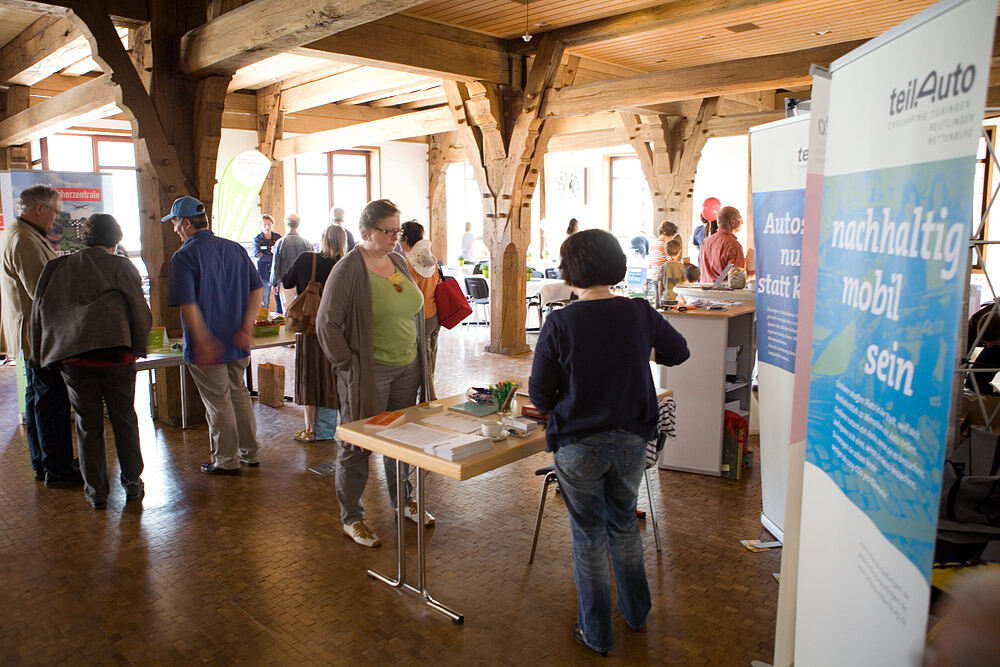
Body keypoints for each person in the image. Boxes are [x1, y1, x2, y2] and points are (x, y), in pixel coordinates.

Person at [529, 229, 689, 656]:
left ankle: (596, 632)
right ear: (616, 264)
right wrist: (641, 352)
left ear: (570, 272)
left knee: (588, 537)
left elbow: (540, 394)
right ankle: (636, 614)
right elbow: (678, 352)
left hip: (580, 443)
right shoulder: (639, 312)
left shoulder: (560, 322)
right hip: (633, 439)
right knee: (622, 526)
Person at [316, 199, 432, 548]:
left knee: (401, 438)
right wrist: (350, 366)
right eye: (389, 231)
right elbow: (327, 325)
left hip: (407, 366)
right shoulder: (349, 269)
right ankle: (352, 517)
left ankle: (403, 500)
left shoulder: (397, 260)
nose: (396, 237)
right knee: (358, 444)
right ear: (367, 232)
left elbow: (412, 306)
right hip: (370, 372)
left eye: (398, 230)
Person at [31, 214, 152, 509]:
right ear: (115, 238)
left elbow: (40, 311)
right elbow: (138, 309)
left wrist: (41, 354)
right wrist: (138, 346)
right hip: (116, 357)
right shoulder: (121, 266)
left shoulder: (57, 267)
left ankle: (95, 491)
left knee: (87, 425)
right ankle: (132, 482)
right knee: (124, 418)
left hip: (74, 359)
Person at [164, 195, 262, 475]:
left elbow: (189, 303)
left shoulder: (184, 256)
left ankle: (226, 461)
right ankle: (250, 453)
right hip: (237, 340)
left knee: (218, 402)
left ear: (185, 223)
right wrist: (247, 326)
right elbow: (257, 289)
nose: (174, 229)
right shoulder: (234, 249)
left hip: (207, 346)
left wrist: (203, 340)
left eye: (174, 223)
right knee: (239, 394)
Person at [0, 184, 81, 487]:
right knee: (52, 403)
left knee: (39, 400)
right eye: (55, 210)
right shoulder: (24, 240)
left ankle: (45, 463)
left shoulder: (23, 235)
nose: (56, 217)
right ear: (38, 209)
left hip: (36, 334)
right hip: (40, 336)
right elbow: (42, 292)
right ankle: (57, 468)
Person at [283, 224, 346, 442]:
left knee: (308, 376)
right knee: (330, 377)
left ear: (322, 239)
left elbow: (287, 281)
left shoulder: (305, 259)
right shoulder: (344, 264)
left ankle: (310, 429)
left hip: (308, 327)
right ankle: (326, 429)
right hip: (336, 329)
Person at [398, 220, 442, 399]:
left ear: (406, 239)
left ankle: (429, 399)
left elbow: (410, 293)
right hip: (435, 315)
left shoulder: (409, 264)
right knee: (431, 358)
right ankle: (428, 396)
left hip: (421, 318)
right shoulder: (431, 260)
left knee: (423, 361)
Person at [270, 213, 312, 308]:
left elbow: (276, 265)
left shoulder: (280, 243)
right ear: (298, 224)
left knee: (287, 311)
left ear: (286, 224)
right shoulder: (306, 243)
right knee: (302, 311)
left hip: (286, 283)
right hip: (303, 282)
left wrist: (274, 282)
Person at [699, 205, 746, 282]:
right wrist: (752, 274)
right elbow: (736, 280)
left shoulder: (707, 242)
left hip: (705, 290)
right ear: (732, 222)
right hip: (723, 292)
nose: (742, 222)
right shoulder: (733, 245)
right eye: (740, 219)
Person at [253, 214, 282, 313]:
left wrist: (275, 255)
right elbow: (259, 255)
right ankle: (264, 324)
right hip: (264, 275)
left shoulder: (278, 238)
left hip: (277, 275)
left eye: (269, 224)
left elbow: (283, 255)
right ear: (261, 225)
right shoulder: (257, 239)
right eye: (265, 224)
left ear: (272, 225)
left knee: (280, 302)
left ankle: (279, 322)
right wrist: (274, 256)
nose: (267, 227)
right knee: (264, 303)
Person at [648, 220, 679, 305]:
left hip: (654, 276)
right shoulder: (665, 245)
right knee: (666, 301)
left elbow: (650, 264)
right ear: (670, 234)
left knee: (657, 299)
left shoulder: (653, 244)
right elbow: (670, 261)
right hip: (664, 277)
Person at [657, 238, 685, 306]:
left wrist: (660, 298)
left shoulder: (664, 266)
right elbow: (684, 284)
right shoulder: (681, 267)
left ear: (666, 252)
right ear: (679, 252)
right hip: (677, 299)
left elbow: (660, 284)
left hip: (665, 298)